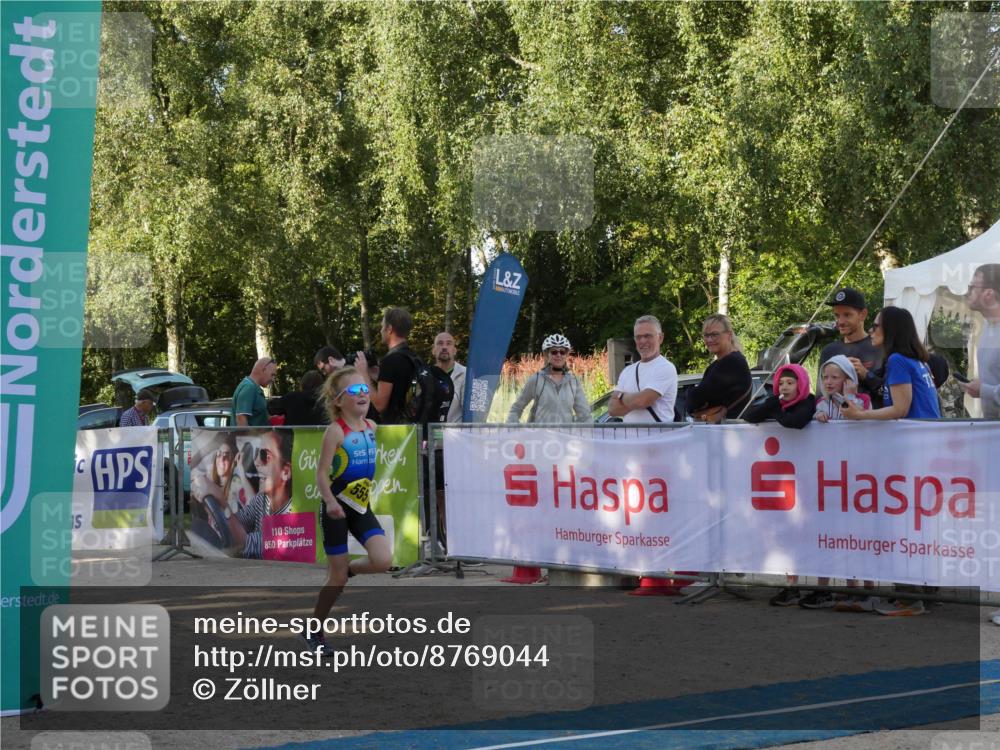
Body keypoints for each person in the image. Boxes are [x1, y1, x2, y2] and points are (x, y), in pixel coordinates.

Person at [309, 367, 392, 654]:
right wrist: (331, 501)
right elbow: (321, 474)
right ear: (338, 400)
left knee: (383, 560)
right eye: (355, 391)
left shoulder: (372, 427)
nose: (363, 395)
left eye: (366, 389)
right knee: (336, 578)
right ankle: (314, 631)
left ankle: (349, 572)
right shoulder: (335, 432)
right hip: (336, 510)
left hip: (360, 507)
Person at [956, 263, 1000, 627]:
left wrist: (982, 389)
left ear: (989, 293)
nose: (968, 291)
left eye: (973, 285)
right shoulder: (988, 332)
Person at [840, 306, 940, 421]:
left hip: (917, 434)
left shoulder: (897, 359)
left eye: (875, 326)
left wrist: (859, 414)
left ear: (891, 329)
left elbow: (900, 410)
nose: (870, 331)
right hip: (926, 432)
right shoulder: (916, 360)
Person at [229, 429, 294, 559]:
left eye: (265, 455)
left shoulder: (294, 513)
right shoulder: (261, 499)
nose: (256, 462)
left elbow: (245, 544)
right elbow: (238, 522)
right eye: (257, 453)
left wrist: (218, 499)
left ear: (285, 472)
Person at [818, 288, 884, 408]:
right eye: (837, 315)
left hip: (873, 423)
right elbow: (821, 395)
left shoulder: (880, 348)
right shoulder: (829, 351)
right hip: (836, 424)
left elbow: (889, 394)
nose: (840, 321)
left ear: (863, 314)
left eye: (847, 315)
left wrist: (866, 375)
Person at [608, 315, 678, 423]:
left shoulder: (666, 368)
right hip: (629, 439)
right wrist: (635, 401)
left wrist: (621, 396)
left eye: (648, 336)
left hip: (658, 439)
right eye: (638, 337)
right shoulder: (627, 371)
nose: (643, 341)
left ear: (660, 337)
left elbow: (642, 401)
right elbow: (612, 409)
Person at [508, 334, 591, 424]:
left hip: (564, 436)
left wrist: (589, 434)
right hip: (539, 436)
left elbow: (585, 415)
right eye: (554, 352)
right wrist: (513, 429)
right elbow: (516, 408)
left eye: (562, 352)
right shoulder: (536, 380)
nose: (558, 355)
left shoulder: (573, 382)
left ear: (566, 355)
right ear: (547, 355)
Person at [686, 314, 753, 422]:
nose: (709, 339)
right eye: (706, 335)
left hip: (728, 433)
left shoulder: (732, 363)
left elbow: (694, 401)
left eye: (715, 334)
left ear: (729, 335)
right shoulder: (722, 363)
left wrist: (690, 393)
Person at [359, 307, 416, 425]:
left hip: (395, 430)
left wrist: (364, 375)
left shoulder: (390, 360)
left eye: (382, 326)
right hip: (413, 426)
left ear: (389, 329)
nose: (380, 331)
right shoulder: (413, 357)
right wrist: (378, 377)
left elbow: (380, 405)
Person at [743, 364, 816, 428]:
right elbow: (748, 416)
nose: (784, 387)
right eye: (780, 383)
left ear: (801, 385)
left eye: (790, 383)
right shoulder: (778, 402)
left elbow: (797, 421)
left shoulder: (808, 401)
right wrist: (766, 406)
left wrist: (775, 411)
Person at [813, 355, 871, 422]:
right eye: (825, 377)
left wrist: (850, 397)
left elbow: (864, 421)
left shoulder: (864, 400)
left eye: (834, 377)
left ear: (849, 379)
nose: (828, 382)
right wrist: (819, 415)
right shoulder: (822, 402)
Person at [232, 358, 277, 427]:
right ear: (264, 369)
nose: (273, 379)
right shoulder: (249, 387)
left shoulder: (254, 388)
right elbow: (241, 420)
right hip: (250, 438)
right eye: (272, 375)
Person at [433, 331, 467, 423]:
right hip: (431, 433)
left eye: (448, 344)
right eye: (440, 343)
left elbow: (470, 412)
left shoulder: (466, 375)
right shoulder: (426, 376)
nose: (444, 347)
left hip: (456, 434)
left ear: (454, 351)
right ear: (433, 350)